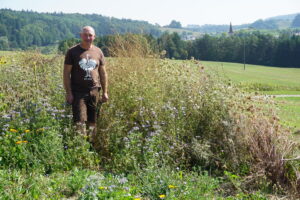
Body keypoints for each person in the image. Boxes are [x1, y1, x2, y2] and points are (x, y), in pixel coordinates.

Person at [63, 26, 108, 142]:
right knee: (80, 121)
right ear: (81, 35)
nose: (88, 37)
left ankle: (91, 146)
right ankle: (81, 147)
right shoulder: (72, 52)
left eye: (90, 35)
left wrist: (105, 92)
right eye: (85, 35)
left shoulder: (98, 52)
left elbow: (103, 73)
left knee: (93, 121)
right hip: (78, 92)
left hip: (94, 91)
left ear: (94, 36)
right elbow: (66, 73)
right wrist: (69, 93)